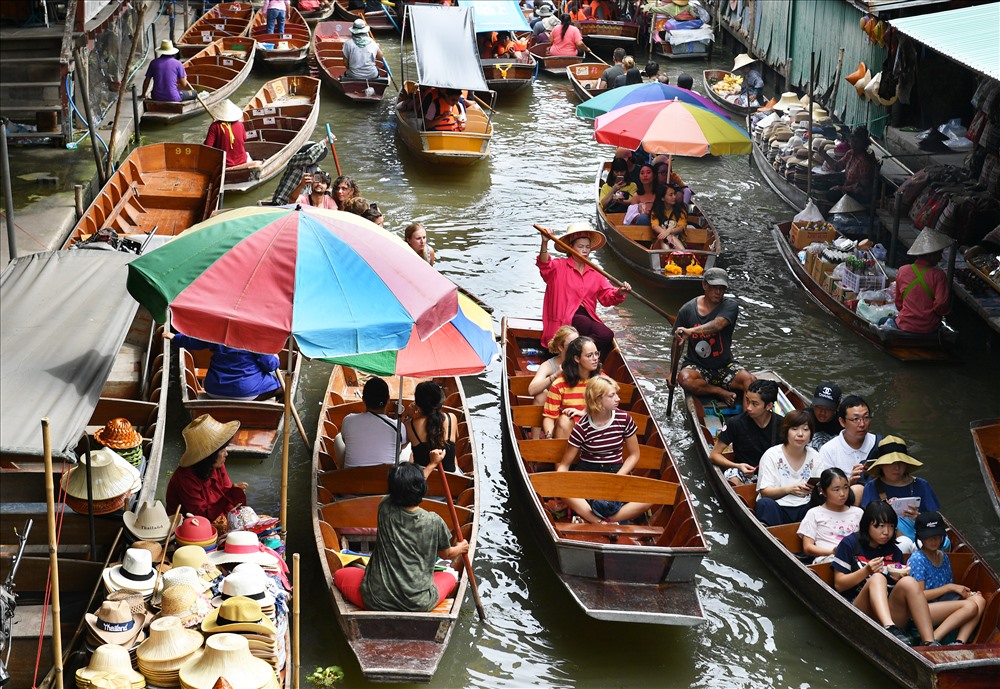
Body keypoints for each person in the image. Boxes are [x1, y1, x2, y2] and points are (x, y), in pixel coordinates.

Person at [332, 463, 469, 611]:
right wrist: (460, 548)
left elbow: (405, 488)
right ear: (422, 489)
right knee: (450, 578)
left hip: (376, 599)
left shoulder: (385, 506)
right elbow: (446, 554)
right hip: (418, 603)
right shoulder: (434, 521)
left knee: (340, 574)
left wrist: (433, 464)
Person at [832, 501, 938, 646]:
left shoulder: (894, 550)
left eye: (891, 526)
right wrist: (866, 571)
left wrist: (898, 579)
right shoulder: (850, 544)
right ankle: (889, 628)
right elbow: (839, 585)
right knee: (877, 578)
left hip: (889, 610)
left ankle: (929, 642)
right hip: (857, 612)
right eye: (880, 526)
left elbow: (894, 588)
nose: (886, 532)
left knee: (909, 582)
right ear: (867, 525)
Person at [556, 375, 652, 524]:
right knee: (564, 491)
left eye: (617, 394)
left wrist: (618, 477)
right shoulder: (582, 427)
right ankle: (599, 522)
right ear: (598, 400)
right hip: (589, 474)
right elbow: (564, 464)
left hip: (617, 472)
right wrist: (560, 483)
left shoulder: (624, 419)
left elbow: (634, 455)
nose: (618, 399)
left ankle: (604, 520)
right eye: (612, 395)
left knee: (652, 497)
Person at [536, 223, 631, 354]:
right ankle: (577, 352)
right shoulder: (559, 266)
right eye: (580, 247)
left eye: (587, 247)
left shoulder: (595, 271)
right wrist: (544, 243)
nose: (585, 250)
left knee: (606, 334)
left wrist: (620, 291)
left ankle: (578, 351)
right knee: (584, 323)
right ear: (570, 247)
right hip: (564, 318)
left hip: (586, 316)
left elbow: (607, 296)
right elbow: (544, 265)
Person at [673, 268, 755, 405]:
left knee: (750, 382)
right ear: (704, 285)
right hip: (697, 366)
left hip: (724, 365)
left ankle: (746, 421)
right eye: (714, 288)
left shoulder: (730, 306)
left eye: (722, 288)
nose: (718, 292)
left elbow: (718, 325)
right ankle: (719, 392)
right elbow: (677, 343)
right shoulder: (686, 310)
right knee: (685, 379)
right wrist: (672, 372)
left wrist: (690, 331)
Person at [908, 511, 985, 645]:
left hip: (942, 604)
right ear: (920, 537)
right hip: (923, 609)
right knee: (971, 606)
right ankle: (932, 641)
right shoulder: (918, 559)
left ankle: (959, 642)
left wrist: (967, 594)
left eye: (937, 536)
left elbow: (949, 593)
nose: (934, 540)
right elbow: (919, 596)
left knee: (979, 600)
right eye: (929, 537)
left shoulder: (944, 557)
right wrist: (948, 588)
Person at [861, 436, 943, 554]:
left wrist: (918, 517)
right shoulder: (872, 487)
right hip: (887, 540)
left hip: (922, 536)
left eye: (900, 463)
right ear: (881, 465)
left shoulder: (921, 485)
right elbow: (868, 522)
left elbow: (935, 520)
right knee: (903, 543)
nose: (897, 467)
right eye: (891, 463)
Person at [166, 414, 247, 521]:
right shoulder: (185, 478)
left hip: (216, 517)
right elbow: (201, 516)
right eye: (222, 450)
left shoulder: (217, 465)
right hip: (189, 526)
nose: (226, 454)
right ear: (210, 456)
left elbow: (227, 494)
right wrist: (229, 496)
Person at [755, 410, 826, 526]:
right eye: (794, 429)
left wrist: (816, 489)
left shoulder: (816, 456)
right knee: (765, 503)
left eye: (805, 429)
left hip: (804, 506)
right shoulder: (771, 455)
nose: (800, 434)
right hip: (777, 506)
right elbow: (765, 491)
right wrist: (789, 489)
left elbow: (822, 486)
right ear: (786, 432)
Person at [167, 331, 282, 401]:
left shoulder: (218, 331)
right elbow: (270, 365)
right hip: (245, 392)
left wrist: (175, 338)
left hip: (214, 390)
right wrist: (276, 358)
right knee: (283, 387)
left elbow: (194, 340)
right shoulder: (256, 336)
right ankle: (267, 416)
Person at [708, 379, 783, 485]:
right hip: (742, 472)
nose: (748, 408)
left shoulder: (783, 425)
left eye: (755, 404)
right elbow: (714, 455)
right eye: (747, 401)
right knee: (733, 477)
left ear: (769, 406)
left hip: (772, 473)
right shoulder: (735, 423)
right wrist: (738, 466)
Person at [889, 227, 952, 334]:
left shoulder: (902, 270)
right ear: (930, 254)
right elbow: (941, 305)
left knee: (883, 321)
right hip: (930, 328)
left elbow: (899, 303)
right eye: (939, 254)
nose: (941, 258)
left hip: (905, 324)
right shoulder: (939, 275)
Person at [818, 394, 879, 497]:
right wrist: (849, 484)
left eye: (866, 418)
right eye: (855, 419)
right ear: (842, 422)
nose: (862, 424)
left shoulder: (879, 443)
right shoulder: (828, 450)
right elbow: (825, 491)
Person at [798, 467, 863, 564]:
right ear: (823, 491)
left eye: (845, 487)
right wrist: (832, 551)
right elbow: (808, 547)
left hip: (855, 558)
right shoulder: (814, 513)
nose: (842, 494)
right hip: (827, 559)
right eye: (836, 490)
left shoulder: (858, 513)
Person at [340, 377, 408, 469]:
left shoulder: (348, 420)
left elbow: (345, 441)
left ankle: (339, 471)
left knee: (338, 439)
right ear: (388, 400)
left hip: (352, 478)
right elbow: (401, 448)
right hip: (387, 480)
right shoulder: (399, 426)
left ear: (363, 400)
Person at [542, 336, 601, 439]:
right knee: (565, 419)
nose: (595, 358)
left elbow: (608, 410)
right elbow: (549, 417)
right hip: (567, 434)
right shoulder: (559, 384)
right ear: (577, 358)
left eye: (596, 354)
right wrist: (549, 437)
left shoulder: (601, 381)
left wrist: (584, 413)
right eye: (589, 355)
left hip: (594, 430)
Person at [408, 381, 459, 476]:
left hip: (421, 477)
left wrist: (409, 416)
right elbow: (456, 437)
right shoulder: (452, 418)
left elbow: (402, 446)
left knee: (409, 454)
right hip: (451, 478)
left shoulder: (410, 425)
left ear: (417, 404)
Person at [818, 126, 878, 203]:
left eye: (857, 142)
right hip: (847, 186)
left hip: (858, 194)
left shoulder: (864, 162)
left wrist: (842, 188)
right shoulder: (850, 153)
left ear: (863, 144)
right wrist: (824, 155)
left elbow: (861, 187)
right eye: (852, 141)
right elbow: (837, 166)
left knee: (831, 194)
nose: (853, 144)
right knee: (824, 184)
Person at [527, 325, 579, 405]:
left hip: (576, 404)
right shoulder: (548, 366)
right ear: (561, 347)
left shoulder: (583, 361)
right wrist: (555, 376)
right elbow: (532, 390)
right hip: (556, 405)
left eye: (578, 343)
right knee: (541, 395)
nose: (577, 348)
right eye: (572, 344)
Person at [271, 141, 329, 205]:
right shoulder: (295, 161)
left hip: (298, 205)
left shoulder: (315, 170)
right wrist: (325, 141)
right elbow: (308, 157)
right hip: (282, 203)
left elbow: (322, 182)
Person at [203, 99, 251, 168]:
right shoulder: (240, 124)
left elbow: (207, 147)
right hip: (242, 161)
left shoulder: (215, 126)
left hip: (224, 164)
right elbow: (244, 138)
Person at [650, 183, 688, 251]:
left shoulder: (681, 211)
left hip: (676, 241)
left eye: (674, 194)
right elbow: (655, 226)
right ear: (662, 198)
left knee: (671, 237)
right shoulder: (655, 211)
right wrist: (666, 234)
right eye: (671, 195)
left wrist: (670, 231)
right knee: (663, 238)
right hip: (658, 244)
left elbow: (680, 228)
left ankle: (680, 254)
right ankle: (668, 255)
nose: (674, 197)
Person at [806, 382, 842, 450]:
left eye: (828, 408)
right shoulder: (803, 417)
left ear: (838, 406)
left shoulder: (843, 424)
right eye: (818, 407)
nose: (822, 412)